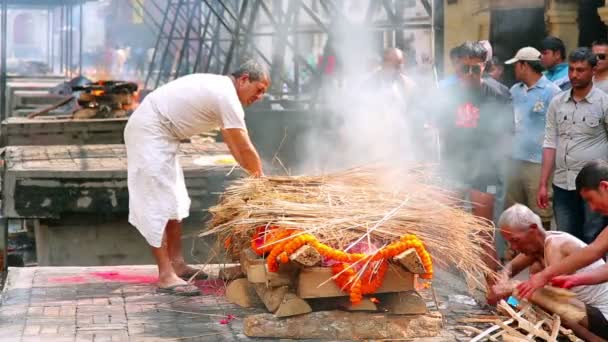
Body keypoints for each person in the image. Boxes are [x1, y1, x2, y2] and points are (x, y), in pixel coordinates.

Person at [124, 60, 269, 296]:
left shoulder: (223, 93)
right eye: (259, 89)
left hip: (163, 135)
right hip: (150, 131)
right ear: (244, 79)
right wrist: (262, 181)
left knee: (175, 200)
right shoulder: (226, 95)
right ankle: (165, 274)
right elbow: (244, 145)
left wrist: (252, 176)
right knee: (156, 201)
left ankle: (177, 263)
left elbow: (233, 144)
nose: (260, 96)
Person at [433, 41, 512, 290]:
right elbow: (440, 131)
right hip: (454, 166)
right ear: (457, 67)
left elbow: (506, 134)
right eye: (463, 69)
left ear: (485, 67)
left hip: (484, 168)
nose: (468, 75)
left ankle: (494, 290)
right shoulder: (447, 95)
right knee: (446, 227)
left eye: (474, 70)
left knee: (483, 232)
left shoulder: (498, 94)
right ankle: (441, 292)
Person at [492, 204, 608, 339]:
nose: (513, 247)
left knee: (534, 293)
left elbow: (554, 301)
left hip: (602, 318)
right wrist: (502, 281)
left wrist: (511, 289)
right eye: (509, 243)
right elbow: (510, 267)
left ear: (533, 229)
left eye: (515, 240)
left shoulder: (555, 246)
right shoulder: (536, 247)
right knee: (525, 290)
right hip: (585, 313)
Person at [537, 47, 608, 244]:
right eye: (571, 69)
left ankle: (595, 275)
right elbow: (550, 142)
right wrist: (543, 183)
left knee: (592, 239)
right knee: (566, 238)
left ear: (593, 71)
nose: (574, 75)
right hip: (562, 183)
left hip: (594, 186)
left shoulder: (604, 103)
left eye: (580, 70)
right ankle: (568, 275)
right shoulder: (557, 102)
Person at [504, 47, 561, 229]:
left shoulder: (552, 92)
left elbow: (558, 130)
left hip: (538, 163)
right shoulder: (515, 90)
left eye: (516, 65)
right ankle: (517, 253)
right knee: (514, 211)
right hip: (513, 159)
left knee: (540, 210)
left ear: (524, 65)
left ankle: (541, 252)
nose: (514, 70)